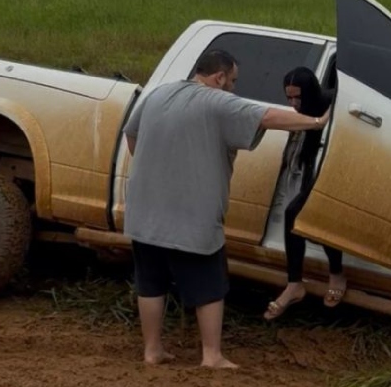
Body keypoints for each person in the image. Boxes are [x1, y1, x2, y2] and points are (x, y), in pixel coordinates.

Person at [122, 51, 329, 369]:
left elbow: (131, 134)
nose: (233, 87)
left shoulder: (158, 94)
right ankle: (212, 356)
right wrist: (319, 122)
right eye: (232, 80)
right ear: (218, 77)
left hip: (144, 210)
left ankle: (152, 351)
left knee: (150, 282)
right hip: (193, 215)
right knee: (209, 285)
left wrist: (158, 165)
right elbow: (268, 117)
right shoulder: (218, 102)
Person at [263, 67, 347, 321]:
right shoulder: (305, 113)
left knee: (307, 215)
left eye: (297, 97)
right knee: (299, 216)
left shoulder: (334, 101)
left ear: (309, 92)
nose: (293, 104)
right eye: (288, 98)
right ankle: (295, 283)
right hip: (313, 170)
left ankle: (334, 274)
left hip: (337, 170)